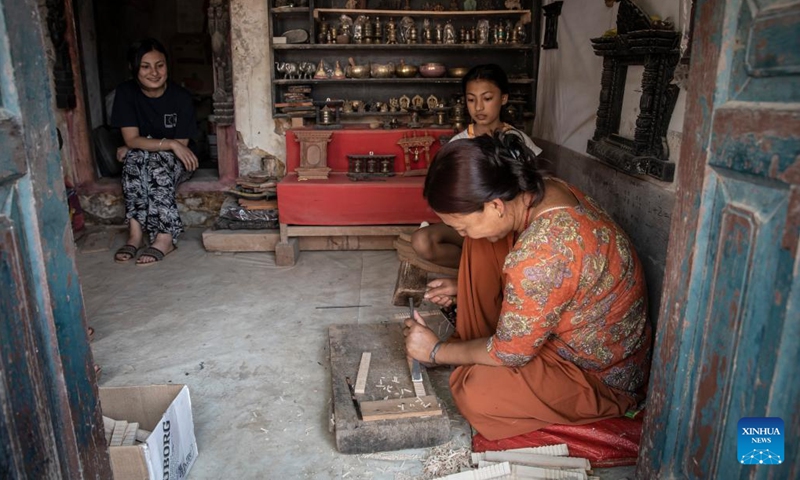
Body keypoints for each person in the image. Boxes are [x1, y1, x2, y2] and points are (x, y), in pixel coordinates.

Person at [404, 132, 651, 440]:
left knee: (475, 392)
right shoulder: (540, 190)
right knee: (481, 246)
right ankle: (470, 345)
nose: (462, 235)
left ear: (495, 205)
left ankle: (462, 351)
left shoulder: (541, 254)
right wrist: (463, 288)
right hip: (563, 326)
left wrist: (436, 351)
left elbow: (510, 354)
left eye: (462, 226)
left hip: (597, 375)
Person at [411, 64, 542, 269]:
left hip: (504, 224)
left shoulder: (518, 141)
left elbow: (533, 192)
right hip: (469, 221)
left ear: (504, 99)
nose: (478, 107)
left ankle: (484, 275)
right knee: (422, 241)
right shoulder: (459, 143)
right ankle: (469, 275)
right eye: (471, 99)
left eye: (487, 98)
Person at [111, 38, 199, 266]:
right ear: (134, 69)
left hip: (180, 162)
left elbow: (179, 149)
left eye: (159, 65)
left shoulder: (181, 97)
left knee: (155, 163)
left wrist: (141, 145)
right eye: (145, 66)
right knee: (134, 159)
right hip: (154, 155)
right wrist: (168, 143)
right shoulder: (126, 93)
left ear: (167, 66)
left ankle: (164, 237)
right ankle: (135, 235)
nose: (154, 72)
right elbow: (131, 139)